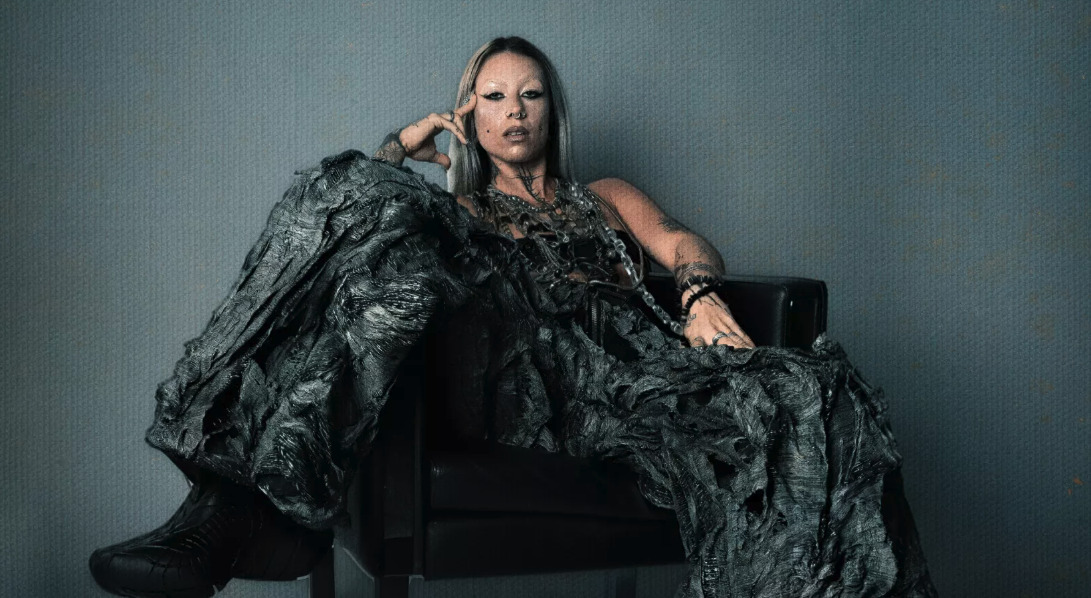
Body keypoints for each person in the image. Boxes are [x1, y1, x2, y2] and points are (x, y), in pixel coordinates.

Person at [90, 36, 937, 598]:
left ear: (550, 111)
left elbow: (681, 242)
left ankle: (243, 517)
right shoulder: (454, 215)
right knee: (371, 208)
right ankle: (235, 504)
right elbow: (364, 236)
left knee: (807, 388)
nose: (515, 110)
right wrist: (397, 151)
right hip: (525, 379)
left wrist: (698, 294)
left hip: (633, 370)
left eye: (530, 94)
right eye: (494, 96)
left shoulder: (603, 195)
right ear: (469, 114)